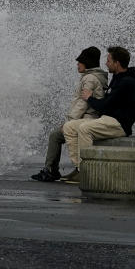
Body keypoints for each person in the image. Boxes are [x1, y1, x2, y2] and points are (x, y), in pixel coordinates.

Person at [59, 46, 135, 184]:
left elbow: (105, 105)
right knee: (70, 127)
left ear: (117, 63)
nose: (106, 63)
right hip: (108, 119)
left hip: (119, 124)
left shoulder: (127, 82)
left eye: (108, 60)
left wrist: (90, 98)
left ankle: (87, 171)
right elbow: (106, 103)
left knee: (84, 129)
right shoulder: (117, 78)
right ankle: (80, 168)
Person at [31, 47, 109, 182]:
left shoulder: (89, 78)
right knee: (56, 135)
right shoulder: (96, 76)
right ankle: (59, 170)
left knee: (55, 135)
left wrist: (69, 122)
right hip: (91, 118)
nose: (77, 64)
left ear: (87, 62)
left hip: (87, 119)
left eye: (80, 61)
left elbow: (82, 103)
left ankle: (51, 170)